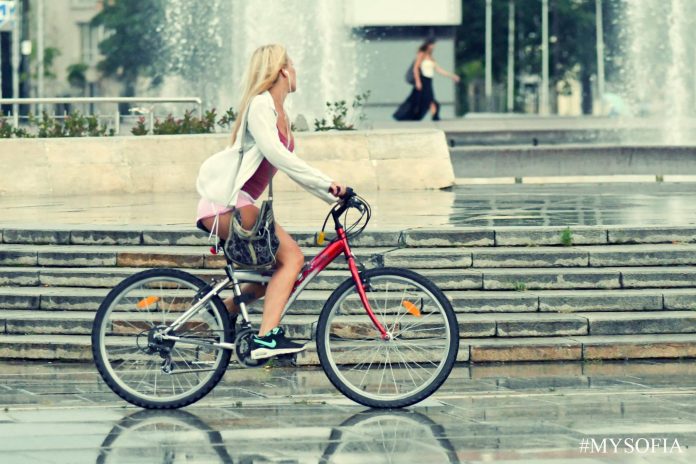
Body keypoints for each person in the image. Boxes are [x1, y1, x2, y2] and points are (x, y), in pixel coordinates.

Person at [195, 44, 348, 360]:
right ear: (282, 70)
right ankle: (266, 339)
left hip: (239, 204)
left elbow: (286, 164)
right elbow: (278, 155)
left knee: (278, 275)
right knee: (292, 259)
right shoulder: (260, 105)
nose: (296, 70)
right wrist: (326, 185)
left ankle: (222, 312)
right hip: (228, 205)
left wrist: (325, 194)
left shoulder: (281, 113)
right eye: (292, 64)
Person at [393, 39, 460, 121]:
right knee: (423, 99)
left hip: (429, 80)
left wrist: (452, 76)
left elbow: (439, 70)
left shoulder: (431, 58)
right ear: (428, 45)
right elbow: (415, 68)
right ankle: (434, 116)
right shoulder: (421, 55)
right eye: (432, 45)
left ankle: (434, 115)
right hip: (423, 80)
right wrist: (418, 81)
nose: (434, 47)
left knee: (428, 99)